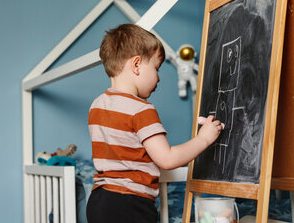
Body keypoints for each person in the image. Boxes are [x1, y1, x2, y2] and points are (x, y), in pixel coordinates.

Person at [86, 23, 223, 223]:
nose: (158, 78)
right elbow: (167, 159)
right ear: (136, 65)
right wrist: (204, 138)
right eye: (156, 68)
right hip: (129, 203)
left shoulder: (97, 105)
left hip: (99, 201)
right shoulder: (141, 109)